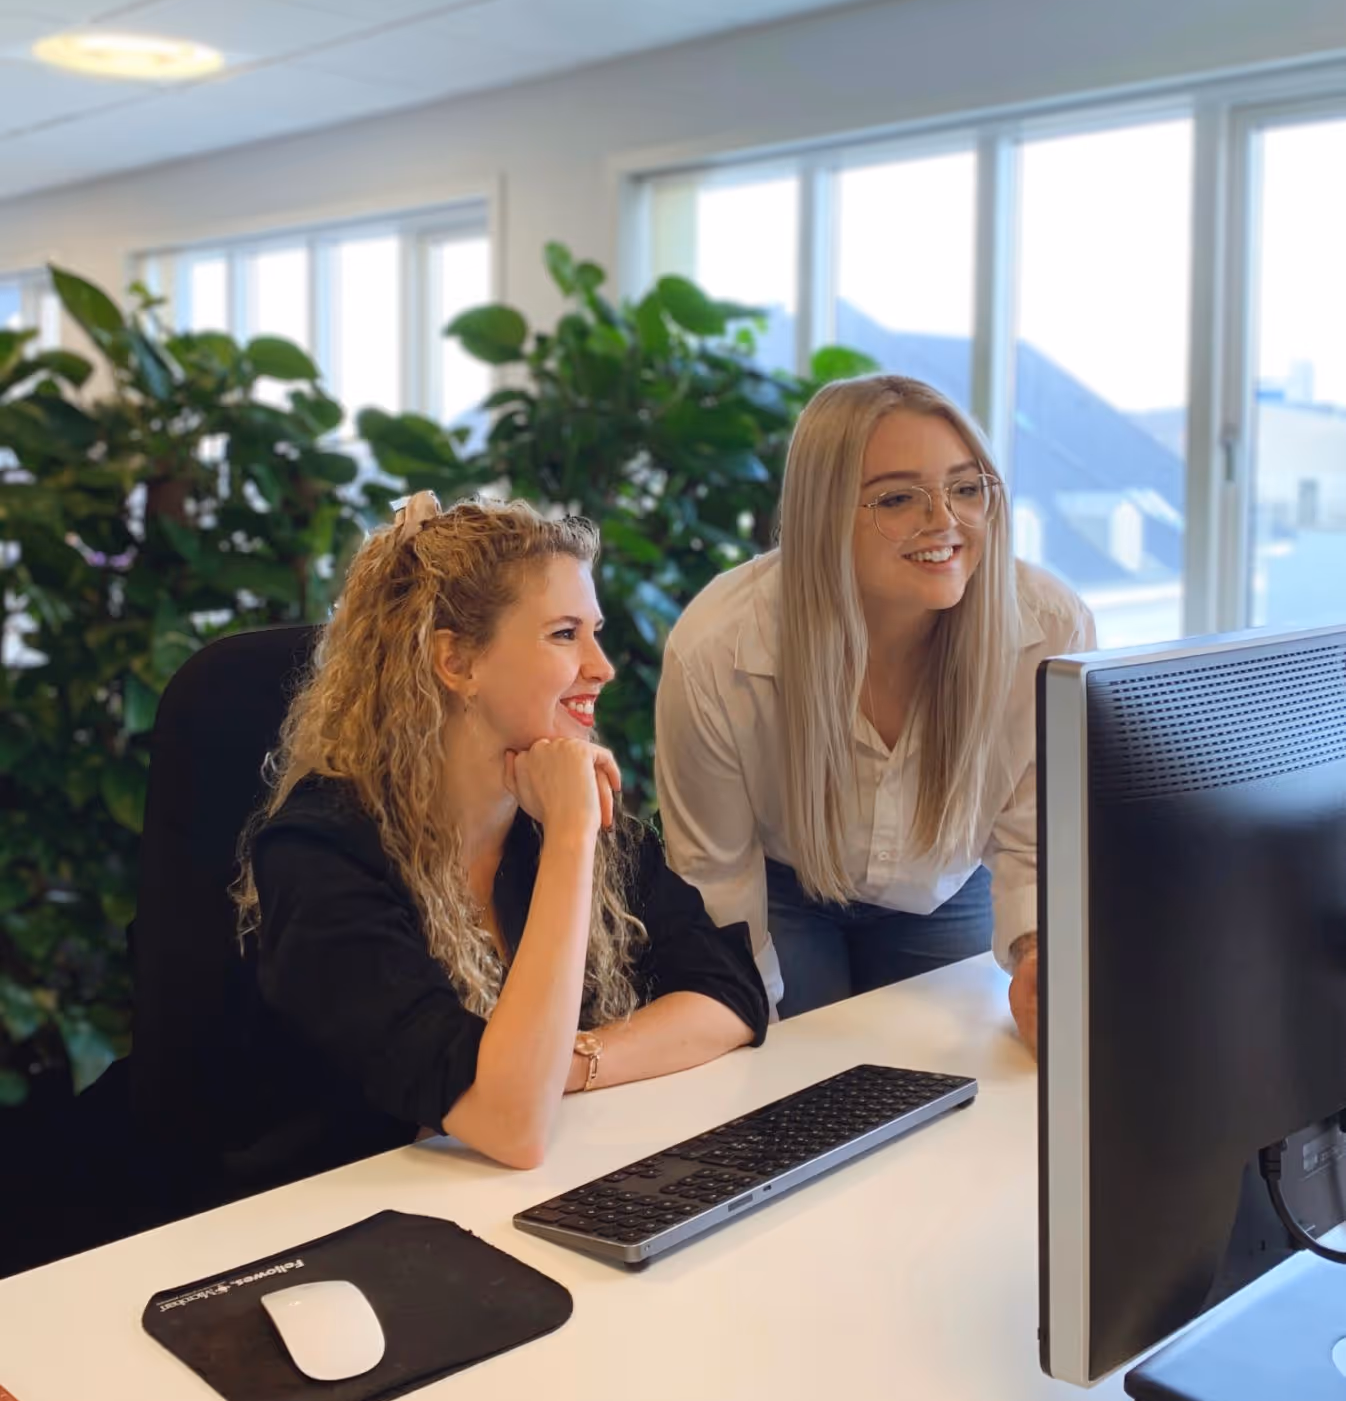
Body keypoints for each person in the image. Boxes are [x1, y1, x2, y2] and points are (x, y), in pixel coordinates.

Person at [234, 495, 767, 1174]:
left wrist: (569, 1063)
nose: (601, 666)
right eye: (564, 634)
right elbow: (510, 1124)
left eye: (593, 631)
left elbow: (729, 994)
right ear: (456, 663)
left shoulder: (551, 795)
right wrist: (572, 838)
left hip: (519, 1197)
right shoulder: (323, 856)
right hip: (341, 1220)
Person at [655, 375, 1095, 1052]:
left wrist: (1040, 954)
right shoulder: (718, 648)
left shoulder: (1049, 628)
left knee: (960, 1089)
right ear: (823, 513)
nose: (944, 520)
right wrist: (752, 1041)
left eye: (966, 488)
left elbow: (1036, 839)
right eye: (897, 498)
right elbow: (716, 876)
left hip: (943, 884)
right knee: (802, 1087)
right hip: (781, 891)